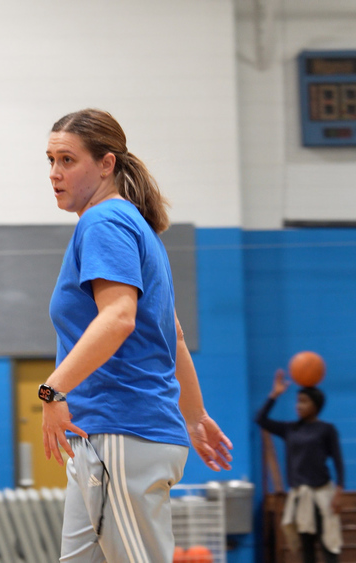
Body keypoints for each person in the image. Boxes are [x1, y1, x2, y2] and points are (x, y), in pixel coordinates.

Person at [40, 108, 233, 562]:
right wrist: (195, 415)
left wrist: (53, 390)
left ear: (106, 164)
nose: (54, 173)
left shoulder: (104, 222)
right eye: (50, 160)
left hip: (121, 433)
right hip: (107, 437)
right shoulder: (129, 224)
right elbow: (176, 336)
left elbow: (119, 317)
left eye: (68, 160)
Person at [256, 369, 344, 563]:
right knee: (306, 550)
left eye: (304, 401)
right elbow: (260, 419)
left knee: (329, 545)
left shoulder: (326, 429)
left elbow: (338, 461)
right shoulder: (290, 429)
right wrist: (274, 394)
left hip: (322, 494)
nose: (299, 405)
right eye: (298, 401)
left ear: (316, 405)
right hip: (299, 496)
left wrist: (339, 491)